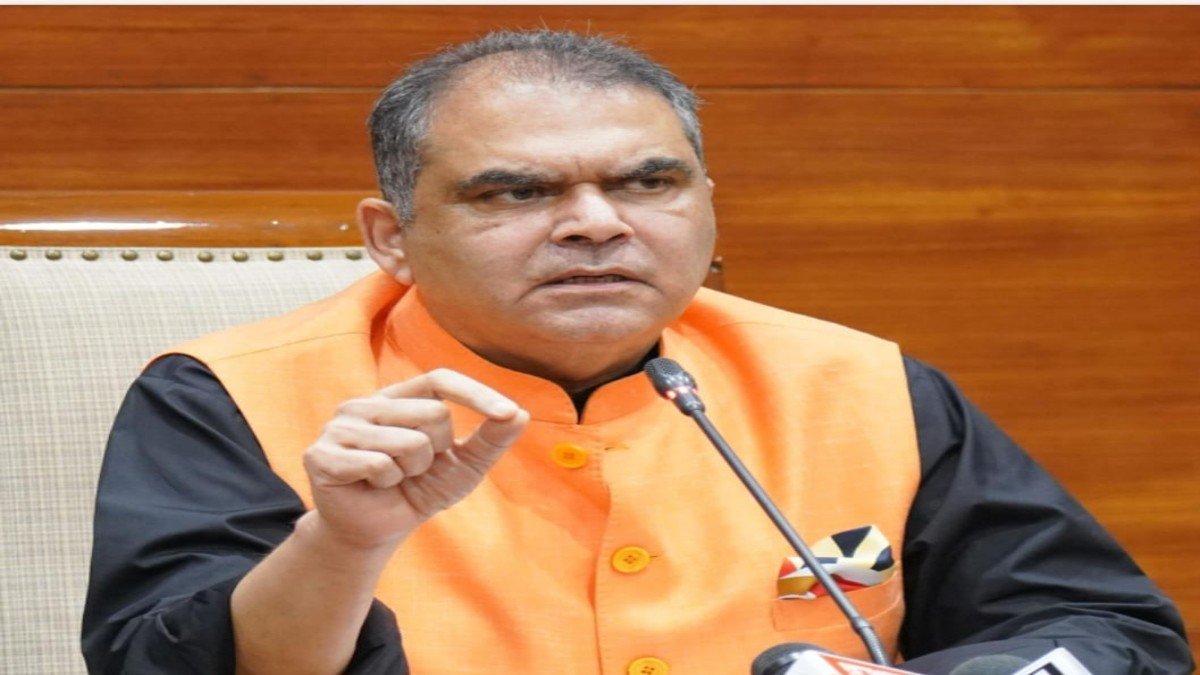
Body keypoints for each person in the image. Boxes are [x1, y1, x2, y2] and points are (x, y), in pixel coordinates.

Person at [82, 30, 1191, 674]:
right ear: (391, 237)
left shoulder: (854, 380)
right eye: (516, 192)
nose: (596, 224)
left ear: (707, 204)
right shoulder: (229, 393)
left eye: (647, 182)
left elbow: (1104, 630)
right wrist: (341, 543)